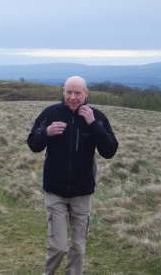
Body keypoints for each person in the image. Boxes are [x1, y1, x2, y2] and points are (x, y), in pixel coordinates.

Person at [27, 76, 118, 275]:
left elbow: (109, 150)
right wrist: (46, 133)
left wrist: (93, 124)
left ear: (86, 94)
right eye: (69, 92)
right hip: (55, 191)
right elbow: (33, 143)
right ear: (63, 92)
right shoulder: (50, 113)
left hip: (82, 192)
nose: (73, 97)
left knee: (78, 247)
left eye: (78, 93)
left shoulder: (97, 117)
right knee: (58, 246)